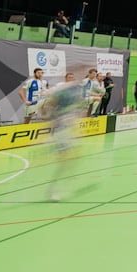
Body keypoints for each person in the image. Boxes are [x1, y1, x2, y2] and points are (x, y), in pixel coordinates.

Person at [38, 73, 90, 202]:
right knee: (64, 160)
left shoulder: (75, 92)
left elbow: (79, 106)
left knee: (73, 157)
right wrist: (50, 116)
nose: (72, 80)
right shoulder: (60, 92)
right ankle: (53, 189)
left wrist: (80, 113)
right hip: (60, 130)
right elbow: (47, 107)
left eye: (73, 78)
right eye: (70, 78)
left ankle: (61, 185)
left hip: (67, 129)